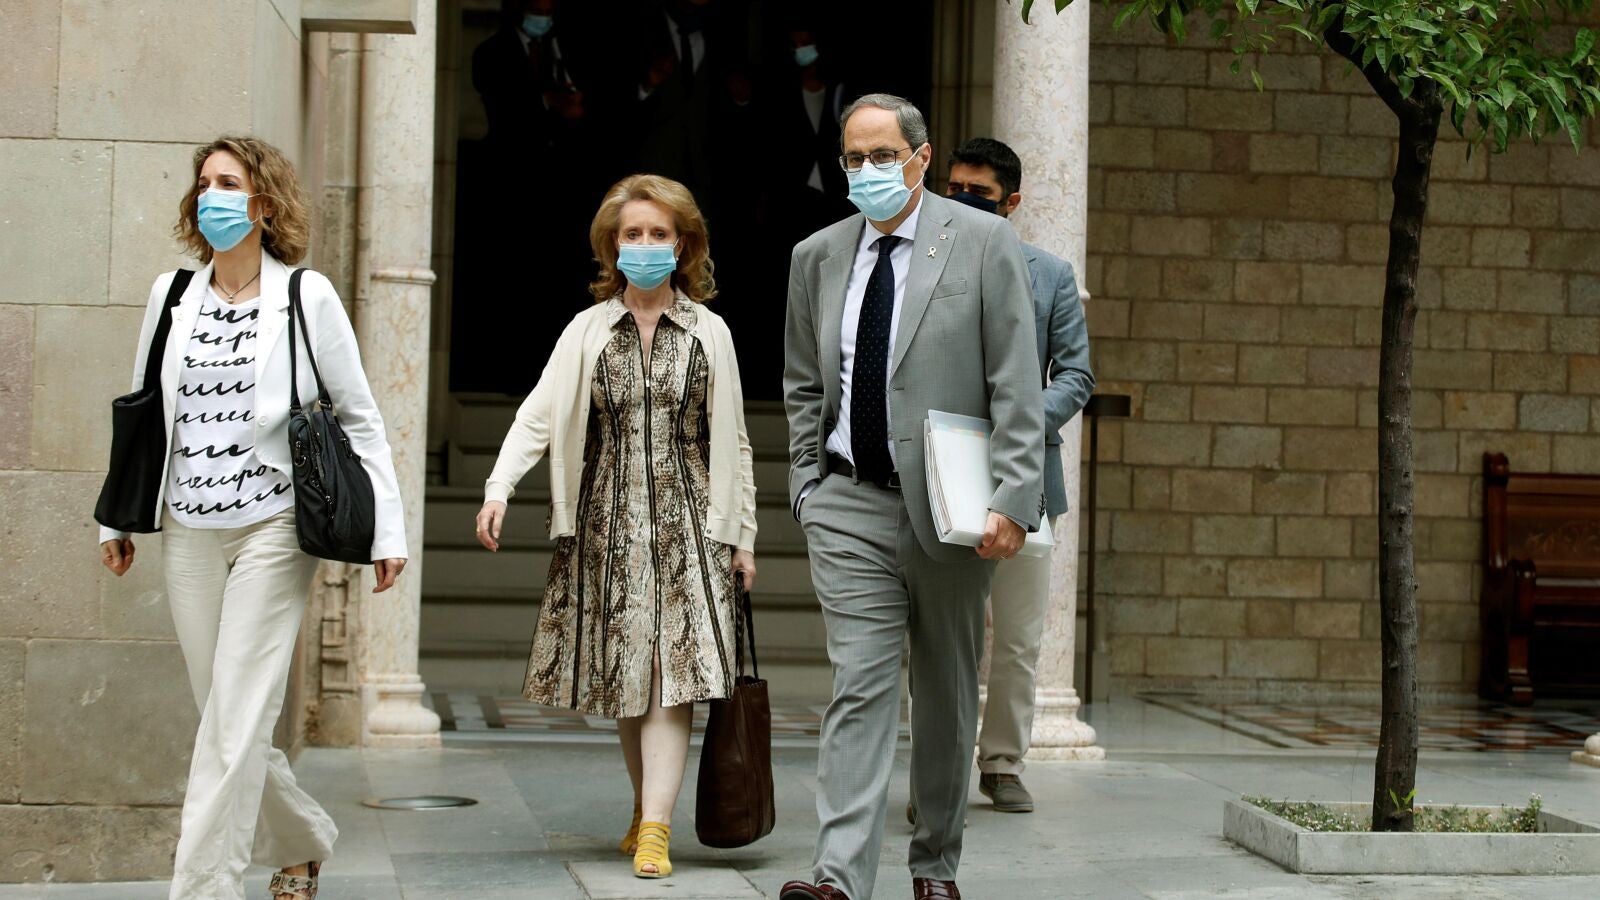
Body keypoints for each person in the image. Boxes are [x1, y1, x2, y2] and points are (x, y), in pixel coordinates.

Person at [97, 136, 409, 900]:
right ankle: (299, 842)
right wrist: (116, 519)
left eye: (228, 183)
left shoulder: (306, 296)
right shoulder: (172, 294)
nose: (212, 195)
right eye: (204, 183)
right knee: (224, 714)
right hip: (188, 528)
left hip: (273, 525)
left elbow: (361, 417)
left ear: (263, 203)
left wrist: (388, 529)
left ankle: (202, 888)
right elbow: (141, 412)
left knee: (234, 718)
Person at [780, 95, 1045, 900]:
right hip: (848, 502)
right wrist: (807, 486)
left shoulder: (984, 241)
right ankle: (838, 878)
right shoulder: (817, 256)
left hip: (952, 508)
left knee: (945, 693)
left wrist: (1014, 497)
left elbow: (1015, 380)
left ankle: (934, 865)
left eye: (883, 156)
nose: (866, 170)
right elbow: (802, 382)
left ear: (922, 158)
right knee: (859, 686)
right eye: (853, 157)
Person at [474, 173, 758, 880]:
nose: (646, 244)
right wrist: (498, 488)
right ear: (613, 244)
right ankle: (643, 806)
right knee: (630, 677)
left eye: (660, 233)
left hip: (692, 523)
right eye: (634, 233)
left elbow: (734, 441)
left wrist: (744, 537)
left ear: (683, 245)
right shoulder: (587, 330)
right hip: (606, 524)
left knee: (669, 673)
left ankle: (657, 827)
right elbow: (538, 415)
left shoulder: (710, 332)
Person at [945, 137, 1095, 814]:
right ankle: (940, 771)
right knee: (943, 635)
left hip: (1026, 473)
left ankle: (1002, 763)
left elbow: (1077, 375)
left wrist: (1021, 419)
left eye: (978, 192)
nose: (963, 201)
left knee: (1018, 637)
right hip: (942, 469)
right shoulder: (923, 264)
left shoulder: (1050, 275)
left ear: (1011, 202)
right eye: (955, 188)